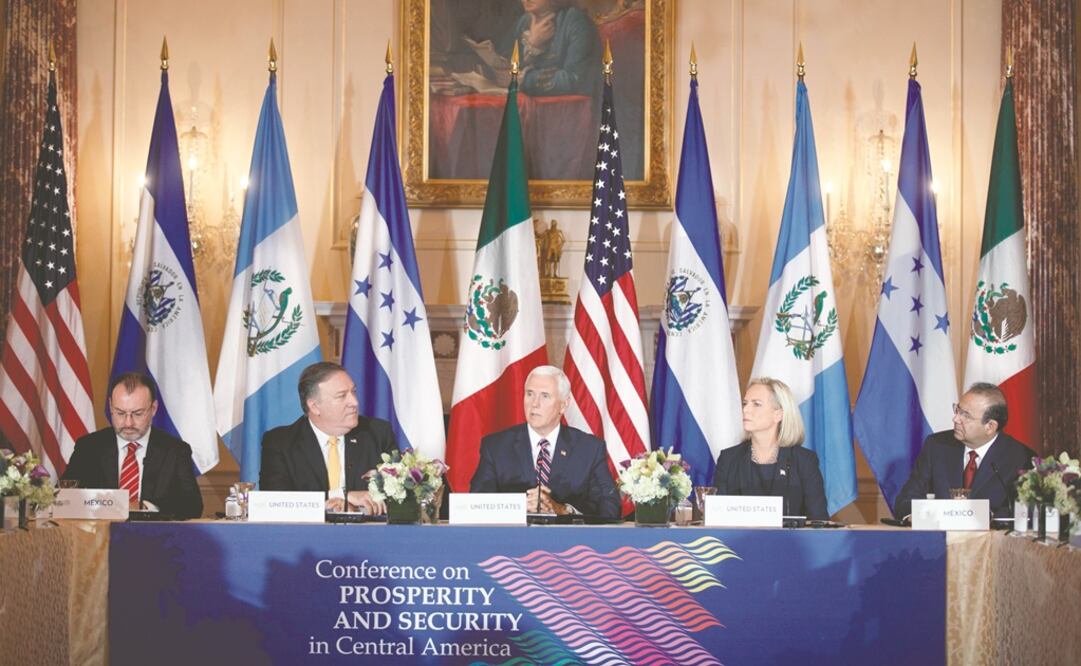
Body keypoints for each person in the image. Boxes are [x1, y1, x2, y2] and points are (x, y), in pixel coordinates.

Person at [470, 365, 620, 519]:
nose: (534, 404)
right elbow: (475, 505)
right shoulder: (496, 446)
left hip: (568, 541)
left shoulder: (589, 448)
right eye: (530, 394)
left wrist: (562, 510)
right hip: (512, 540)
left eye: (545, 396)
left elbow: (610, 507)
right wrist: (520, 507)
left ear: (564, 404)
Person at [259, 361, 397, 514]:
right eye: (342, 396)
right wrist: (342, 497)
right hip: (304, 535)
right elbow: (274, 501)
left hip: (367, 533)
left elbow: (400, 493)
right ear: (314, 406)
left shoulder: (377, 433)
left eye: (354, 392)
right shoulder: (280, 442)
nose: (354, 402)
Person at [62, 372, 203, 519]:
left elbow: (192, 505)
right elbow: (64, 499)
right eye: (120, 413)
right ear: (110, 406)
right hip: (99, 537)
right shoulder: (88, 448)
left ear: (153, 408)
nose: (128, 423)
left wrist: (143, 506)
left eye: (137, 413)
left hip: (156, 539)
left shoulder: (175, 451)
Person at [893, 382, 1035, 520]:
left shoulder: (1021, 458)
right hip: (938, 538)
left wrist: (985, 517)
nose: (955, 419)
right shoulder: (936, 446)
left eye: (966, 415)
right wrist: (916, 517)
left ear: (990, 426)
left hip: (990, 541)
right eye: (957, 410)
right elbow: (906, 500)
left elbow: (1024, 511)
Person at [711, 377, 828, 521]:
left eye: (757, 404)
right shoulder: (728, 459)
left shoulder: (804, 461)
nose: (746, 410)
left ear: (778, 414)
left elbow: (819, 521)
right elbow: (717, 519)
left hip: (790, 543)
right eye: (745, 403)